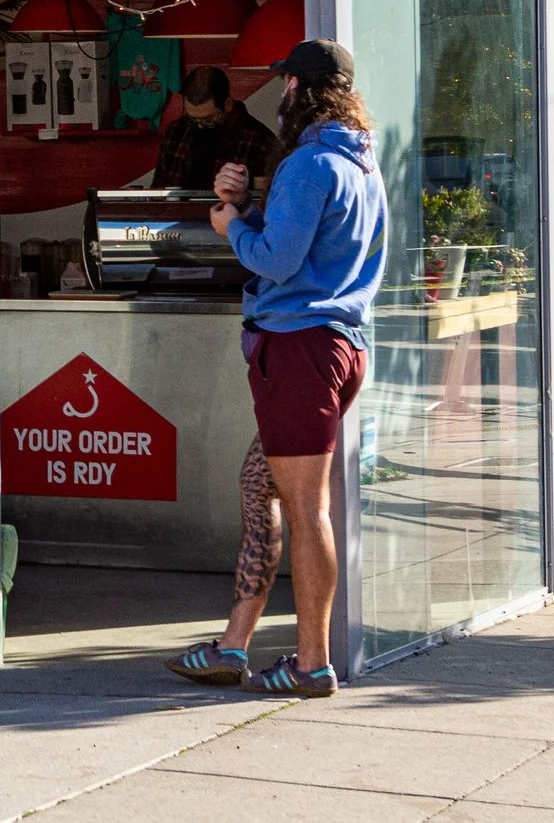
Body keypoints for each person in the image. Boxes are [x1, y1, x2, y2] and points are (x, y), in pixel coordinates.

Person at [163, 38, 385, 698]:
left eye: (285, 83)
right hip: (337, 346)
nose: (279, 94)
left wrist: (230, 223)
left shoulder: (311, 163)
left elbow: (277, 259)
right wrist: (248, 199)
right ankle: (234, 644)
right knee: (259, 481)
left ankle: (312, 662)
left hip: (299, 350)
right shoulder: (359, 162)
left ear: (302, 88)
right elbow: (309, 244)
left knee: (306, 505)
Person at [152, 65, 280, 193]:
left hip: (232, 212)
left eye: (208, 119)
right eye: (192, 118)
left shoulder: (260, 140)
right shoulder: (175, 132)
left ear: (228, 105)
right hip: (177, 213)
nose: (200, 125)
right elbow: (158, 189)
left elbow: (268, 199)